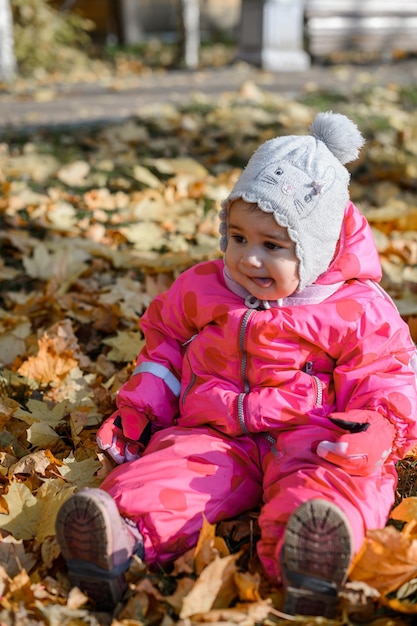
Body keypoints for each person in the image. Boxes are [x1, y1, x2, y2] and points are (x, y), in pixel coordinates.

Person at [55, 111, 417, 617]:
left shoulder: (355, 307)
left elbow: (386, 370)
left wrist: (380, 426)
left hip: (311, 431)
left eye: (272, 246)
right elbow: (164, 345)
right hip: (215, 428)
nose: (248, 259)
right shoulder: (203, 287)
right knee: (173, 470)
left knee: (335, 479)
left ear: (315, 251)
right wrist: (141, 408)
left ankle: (311, 551)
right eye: (239, 237)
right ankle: (121, 535)